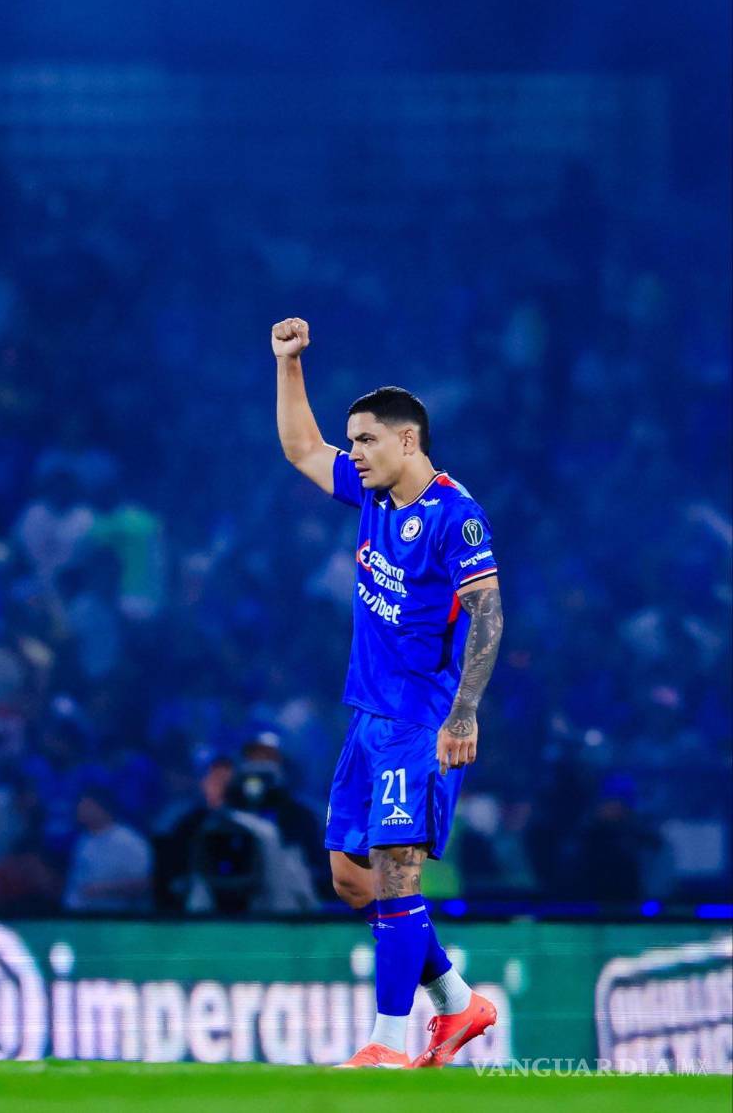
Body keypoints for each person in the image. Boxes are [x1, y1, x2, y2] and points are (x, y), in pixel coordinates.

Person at [273, 317, 505, 1069]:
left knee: (398, 869)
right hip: (367, 717)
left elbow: (489, 615)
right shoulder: (374, 499)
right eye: (354, 441)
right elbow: (302, 450)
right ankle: (459, 1000)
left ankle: (387, 1041)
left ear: (408, 439)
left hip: (420, 723)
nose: (354, 453)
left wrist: (464, 710)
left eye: (365, 439)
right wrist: (289, 363)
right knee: (350, 876)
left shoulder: (455, 516)